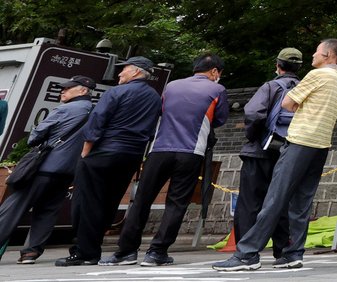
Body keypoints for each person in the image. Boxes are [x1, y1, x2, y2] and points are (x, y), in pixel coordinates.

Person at [216, 39, 337, 272]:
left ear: (327, 54)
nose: (313, 56)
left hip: (300, 141)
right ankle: (293, 253)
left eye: (316, 52)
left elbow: (288, 103)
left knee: (275, 198)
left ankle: (247, 254)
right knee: (301, 202)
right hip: (321, 145)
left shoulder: (315, 75)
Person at [105, 53, 229, 266]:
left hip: (159, 149)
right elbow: (219, 119)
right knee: (176, 204)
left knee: (142, 200)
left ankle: (125, 252)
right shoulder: (218, 89)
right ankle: (157, 252)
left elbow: (161, 111)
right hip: (191, 151)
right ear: (215, 72)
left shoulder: (171, 86)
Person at [57, 56, 163, 267]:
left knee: (86, 202)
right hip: (132, 155)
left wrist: (85, 152)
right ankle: (93, 249)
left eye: (123, 69)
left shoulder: (116, 92)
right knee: (109, 202)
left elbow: (97, 121)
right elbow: (151, 129)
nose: (119, 73)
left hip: (105, 151)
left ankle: (85, 252)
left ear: (135, 71)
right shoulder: (155, 96)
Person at [0, 76, 96, 264]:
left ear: (83, 91)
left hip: (45, 166)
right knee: (48, 210)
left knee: (12, 208)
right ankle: (31, 252)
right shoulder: (95, 111)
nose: (63, 91)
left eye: (68, 88)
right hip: (69, 171)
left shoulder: (65, 109)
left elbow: (35, 136)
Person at [234, 48, 302, 265]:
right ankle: (283, 252)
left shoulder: (271, 86)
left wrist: (252, 137)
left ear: (278, 64)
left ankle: (247, 253)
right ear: (299, 67)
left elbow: (253, 113)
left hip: (260, 151)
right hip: (289, 152)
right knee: (281, 201)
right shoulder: (305, 89)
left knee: (250, 202)